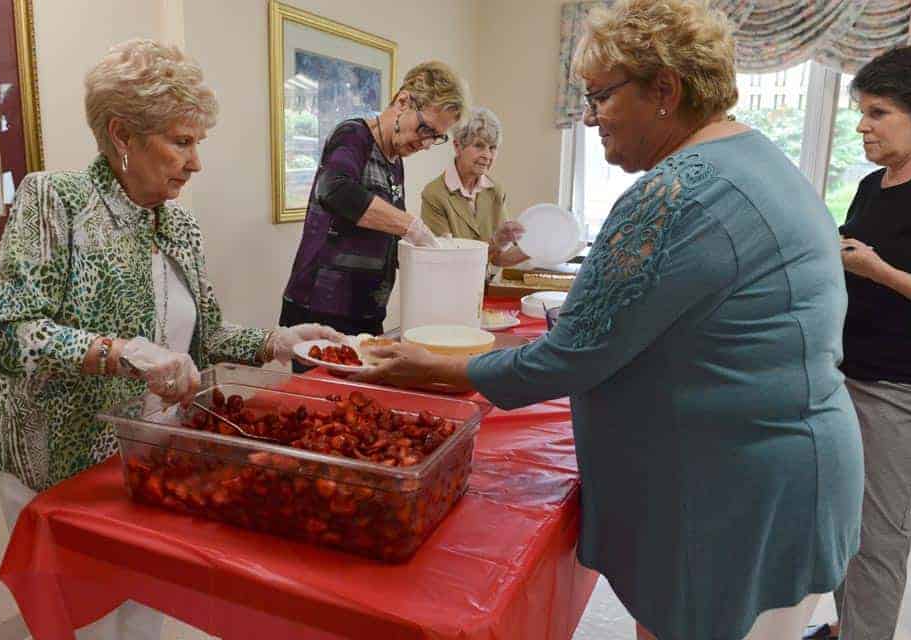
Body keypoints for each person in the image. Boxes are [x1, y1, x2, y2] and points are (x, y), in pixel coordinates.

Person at [355, 1, 864, 638]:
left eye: (598, 96)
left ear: (664, 90)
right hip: (789, 478)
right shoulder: (759, 160)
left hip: (737, 499)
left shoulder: (677, 192)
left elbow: (569, 356)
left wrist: (432, 367)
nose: (590, 116)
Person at [0, 38, 341, 639]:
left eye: (198, 142)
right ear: (123, 134)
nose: (196, 162)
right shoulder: (55, 202)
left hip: (147, 463)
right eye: (182, 141)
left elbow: (205, 337)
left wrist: (278, 342)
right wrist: (119, 353)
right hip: (62, 473)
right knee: (89, 625)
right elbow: (7, 334)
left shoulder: (179, 224)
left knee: (145, 620)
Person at [811, 45, 911, 640]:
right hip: (845, 376)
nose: (862, 124)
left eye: (878, 112)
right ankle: (845, 627)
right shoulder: (872, 185)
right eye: (862, 111)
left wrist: (881, 272)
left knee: (875, 535)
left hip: (902, 391)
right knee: (838, 524)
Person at [280, 61, 469, 338]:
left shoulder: (395, 162)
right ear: (403, 101)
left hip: (365, 313)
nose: (427, 143)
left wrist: (430, 250)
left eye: (436, 137)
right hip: (321, 310)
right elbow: (335, 190)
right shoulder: (353, 135)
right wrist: (411, 225)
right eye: (425, 129)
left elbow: (385, 231)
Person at [420, 107, 527, 267]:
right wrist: (495, 241)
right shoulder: (434, 194)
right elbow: (445, 260)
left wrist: (538, 247)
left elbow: (499, 258)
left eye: (492, 148)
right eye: (479, 146)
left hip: (479, 287)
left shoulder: (495, 191)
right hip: (445, 285)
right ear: (457, 146)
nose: (487, 155)